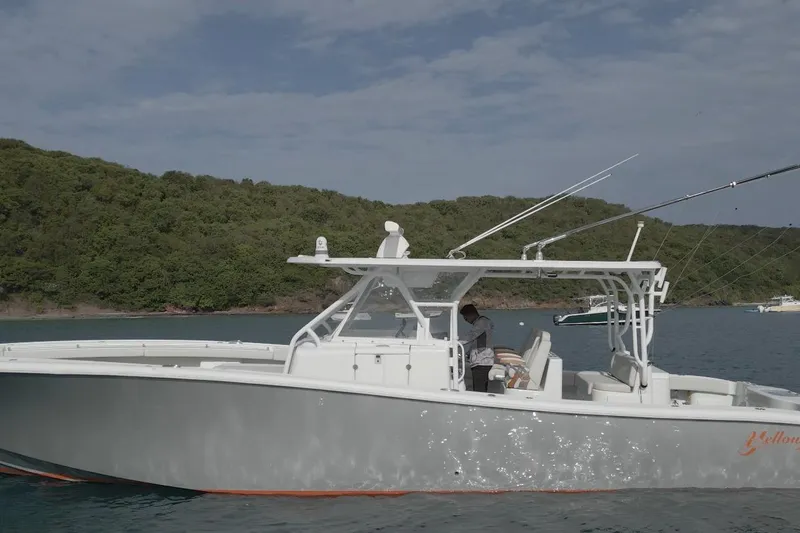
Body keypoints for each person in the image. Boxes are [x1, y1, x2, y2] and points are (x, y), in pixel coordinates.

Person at [458, 304, 495, 392]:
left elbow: (471, 336)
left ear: (471, 314)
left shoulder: (482, 322)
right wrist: (467, 354)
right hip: (480, 361)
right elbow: (476, 341)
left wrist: (455, 342)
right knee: (479, 388)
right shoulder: (481, 323)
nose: (466, 320)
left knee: (479, 390)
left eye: (465, 317)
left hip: (483, 362)